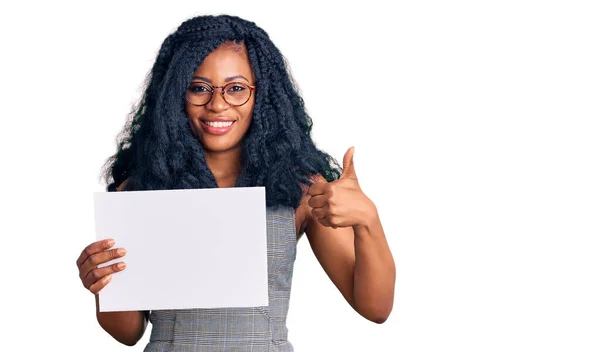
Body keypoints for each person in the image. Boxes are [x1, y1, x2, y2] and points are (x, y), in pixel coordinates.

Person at [76, 14, 396, 351]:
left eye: (236, 88)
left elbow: (375, 308)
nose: (217, 104)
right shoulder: (143, 190)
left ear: (263, 96)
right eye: (199, 88)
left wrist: (368, 221)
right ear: (175, 96)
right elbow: (128, 333)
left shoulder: (299, 189)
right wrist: (102, 284)